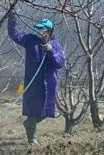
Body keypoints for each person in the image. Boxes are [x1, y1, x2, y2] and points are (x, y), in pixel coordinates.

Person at [7, 12, 65, 145]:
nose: (39, 31)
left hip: (48, 84)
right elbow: (14, 35)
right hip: (33, 83)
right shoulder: (30, 39)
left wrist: (51, 51)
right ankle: (31, 138)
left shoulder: (55, 45)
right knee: (32, 111)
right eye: (38, 28)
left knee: (46, 111)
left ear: (49, 31)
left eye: (42, 28)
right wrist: (12, 20)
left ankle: (29, 124)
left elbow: (60, 63)